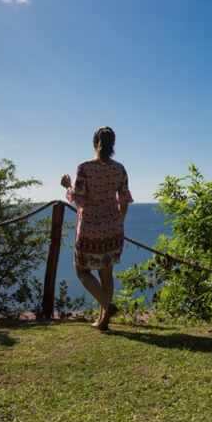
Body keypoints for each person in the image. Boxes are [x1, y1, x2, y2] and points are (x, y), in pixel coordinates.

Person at [61, 126, 133, 331]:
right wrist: (119, 221)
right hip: (113, 228)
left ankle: (107, 308)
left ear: (94, 143)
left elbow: (80, 200)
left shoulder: (84, 168)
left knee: (82, 271)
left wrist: (67, 186)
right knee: (106, 272)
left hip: (89, 228)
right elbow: (124, 200)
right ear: (113, 145)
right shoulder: (119, 169)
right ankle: (103, 320)